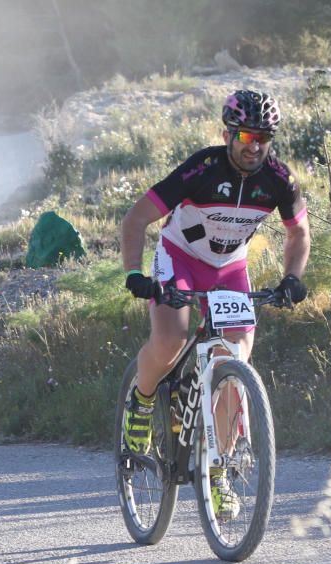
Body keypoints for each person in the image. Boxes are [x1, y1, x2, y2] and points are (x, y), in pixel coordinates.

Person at [120, 90, 310, 520]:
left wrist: (292, 278)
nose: (254, 144)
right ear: (228, 133)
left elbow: (299, 233)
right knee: (171, 339)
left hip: (229, 269)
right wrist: (135, 274)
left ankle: (219, 471)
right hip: (180, 259)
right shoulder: (201, 168)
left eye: (263, 136)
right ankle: (142, 400)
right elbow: (135, 219)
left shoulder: (279, 178)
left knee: (233, 369)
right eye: (245, 134)